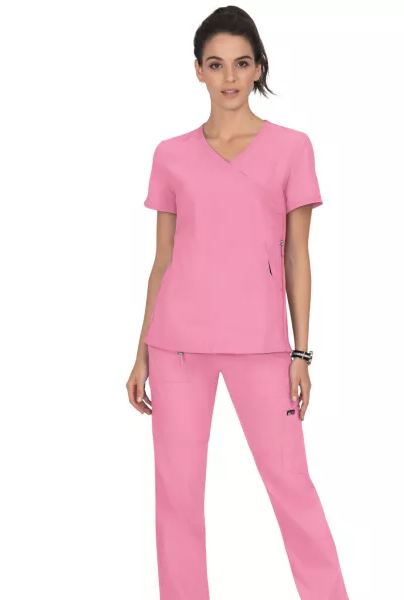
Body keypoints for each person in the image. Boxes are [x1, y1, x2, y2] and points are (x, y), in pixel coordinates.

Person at [126, 6, 350, 599]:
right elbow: (162, 259)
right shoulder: (170, 154)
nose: (229, 77)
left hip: (261, 346)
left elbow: (298, 256)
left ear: (259, 69)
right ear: (197, 70)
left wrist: (302, 352)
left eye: (242, 63)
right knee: (176, 496)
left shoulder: (291, 148)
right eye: (216, 64)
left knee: (291, 485)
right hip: (175, 346)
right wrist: (140, 351)